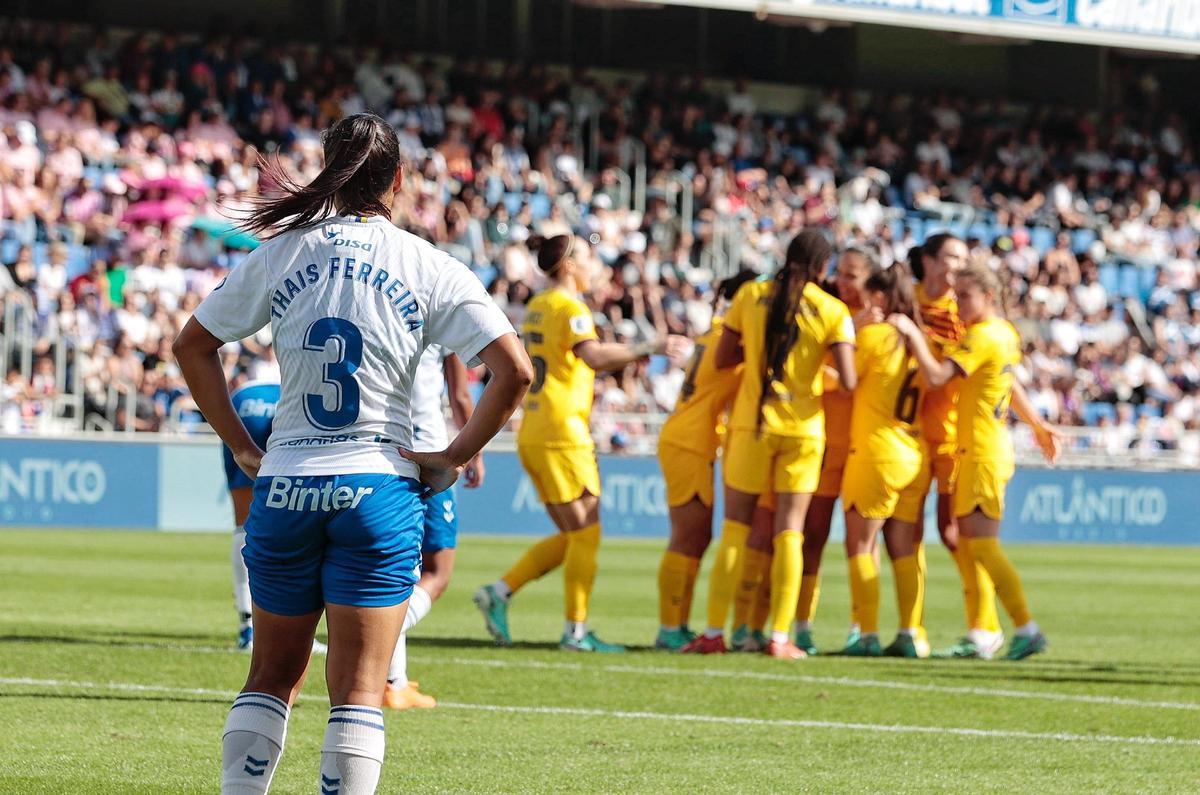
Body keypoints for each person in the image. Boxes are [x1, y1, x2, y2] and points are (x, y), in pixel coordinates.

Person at [174, 113, 531, 795]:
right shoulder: (428, 263)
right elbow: (514, 370)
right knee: (359, 690)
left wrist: (244, 446)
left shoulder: (281, 253)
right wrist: (455, 453)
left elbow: (192, 345)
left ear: (327, 173)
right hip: (377, 487)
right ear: (398, 179)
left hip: (287, 484)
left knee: (271, 676)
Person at [474, 234, 687, 652]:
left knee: (574, 535)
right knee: (587, 535)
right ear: (569, 265)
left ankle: (499, 592)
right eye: (588, 258)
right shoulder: (571, 307)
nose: (595, 266)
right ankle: (575, 632)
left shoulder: (537, 305)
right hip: (562, 434)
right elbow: (591, 356)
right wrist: (650, 346)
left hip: (535, 429)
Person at [682, 230, 856, 660]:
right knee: (790, 533)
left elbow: (723, 358)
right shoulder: (832, 309)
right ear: (822, 267)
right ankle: (780, 636)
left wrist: (764, 352)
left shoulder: (751, 295)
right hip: (802, 431)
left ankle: (712, 632)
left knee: (736, 531)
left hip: (751, 425)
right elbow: (850, 381)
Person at [890, 261, 1061, 662]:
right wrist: (1036, 423)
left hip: (983, 452)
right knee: (968, 545)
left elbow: (934, 377)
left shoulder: (983, 336)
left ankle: (1026, 627)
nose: (957, 303)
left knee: (981, 546)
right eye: (956, 295)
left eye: (965, 295)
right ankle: (983, 633)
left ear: (988, 296)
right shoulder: (1002, 333)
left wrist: (913, 334)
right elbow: (1005, 383)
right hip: (979, 450)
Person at [884, 232, 1003, 658]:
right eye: (951, 257)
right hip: (908, 433)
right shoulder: (907, 300)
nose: (957, 266)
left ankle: (984, 627)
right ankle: (911, 630)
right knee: (906, 534)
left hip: (951, 436)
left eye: (962, 259)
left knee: (955, 535)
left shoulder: (964, 312)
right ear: (930, 261)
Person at [654, 269, 757, 650]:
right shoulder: (731, 342)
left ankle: (676, 623)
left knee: (697, 536)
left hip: (688, 438)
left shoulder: (713, 333)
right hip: (689, 442)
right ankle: (669, 627)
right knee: (687, 537)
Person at [794, 246, 882, 656]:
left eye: (853, 275)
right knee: (813, 534)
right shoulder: (825, 312)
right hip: (826, 440)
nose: (843, 282)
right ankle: (802, 625)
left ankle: (862, 627)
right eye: (841, 273)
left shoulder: (880, 325)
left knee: (864, 542)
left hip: (864, 445)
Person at [383, 344, 483, 709]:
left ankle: (394, 680)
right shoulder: (440, 306)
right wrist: (473, 454)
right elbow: (459, 394)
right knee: (437, 571)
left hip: (382, 452)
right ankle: (380, 647)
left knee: (398, 569)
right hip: (429, 451)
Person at [840, 265, 928, 657]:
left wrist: (854, 331)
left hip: (876, 452)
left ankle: (869, 635)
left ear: (878, 297)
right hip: (913, 452)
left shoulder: (875, 337)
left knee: (860, 544)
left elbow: (844, 378)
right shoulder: (918, 339)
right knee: (905, 549)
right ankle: (910, 632)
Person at [221, 374, 334, 656]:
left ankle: (249, 627)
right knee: (300, 516)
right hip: (294, 392)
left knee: (244, 522)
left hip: (245, 397)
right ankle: (295, 631)